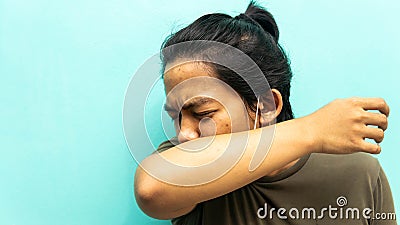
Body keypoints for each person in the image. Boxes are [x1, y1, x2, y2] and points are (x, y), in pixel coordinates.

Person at [134, 2, 396, 224]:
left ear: (266, 106)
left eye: (202, 113)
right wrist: (312, 129)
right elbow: (150, 190)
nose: (185, 134)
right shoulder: (181, 166)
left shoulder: (360, 174)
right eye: (175, 116)